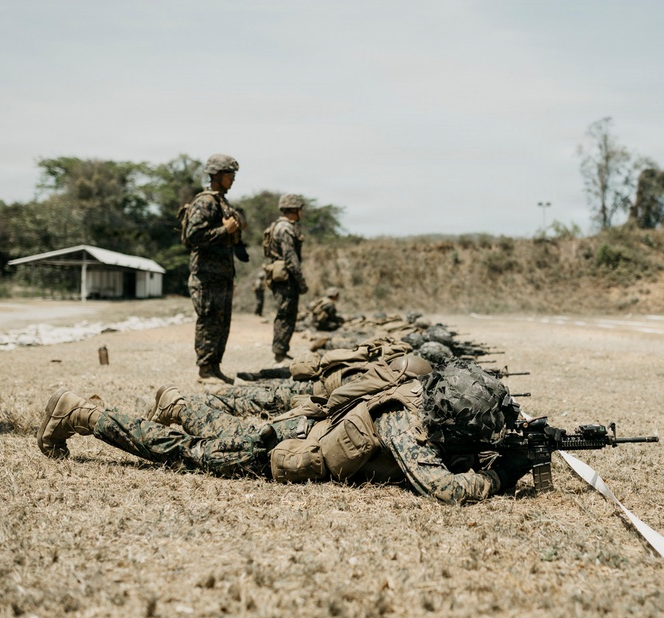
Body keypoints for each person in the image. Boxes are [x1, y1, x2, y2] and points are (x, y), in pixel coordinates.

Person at [35, 360, 534, 504]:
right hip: (277, 451)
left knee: (215, 428)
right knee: (181, 451)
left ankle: (179, 403)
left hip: (298, 429)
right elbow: (442, 487)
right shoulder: (405, 422)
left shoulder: (423, 401)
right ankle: (80, 414)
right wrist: (498, 478)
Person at [183, 153, 244, 385]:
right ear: (218, 175)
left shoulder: (221, 201)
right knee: (208, 321)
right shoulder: (205, 202)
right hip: (206, 276)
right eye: (231, 174)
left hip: (221, 275)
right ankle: (205, 370)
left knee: (221, 322)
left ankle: (215, 368)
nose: (233, 179)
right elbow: (193, 236)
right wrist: (224, 230)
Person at [263, 194, 308, 365]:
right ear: (294, 209)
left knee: (285, 314)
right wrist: (301, 282)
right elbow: (291, 258)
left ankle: (280, 352)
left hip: (281, 276)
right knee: (286, 315)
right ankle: (280, 354)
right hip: (286, 279)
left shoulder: (277, 226)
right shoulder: (286, 228)